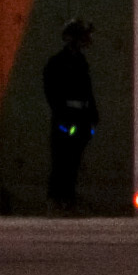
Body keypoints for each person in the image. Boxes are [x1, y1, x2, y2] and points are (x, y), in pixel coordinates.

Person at [42, 19, 98, 212]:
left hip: (80, 119)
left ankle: (68, 200)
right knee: (61, 161)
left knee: (73, 162)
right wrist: (64, 118)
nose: (86, 40)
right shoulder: (57, 63)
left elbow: (87, 92)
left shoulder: (81, 62)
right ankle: (56, 200)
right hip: (65, 119)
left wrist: (92, 118)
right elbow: (52, 93)